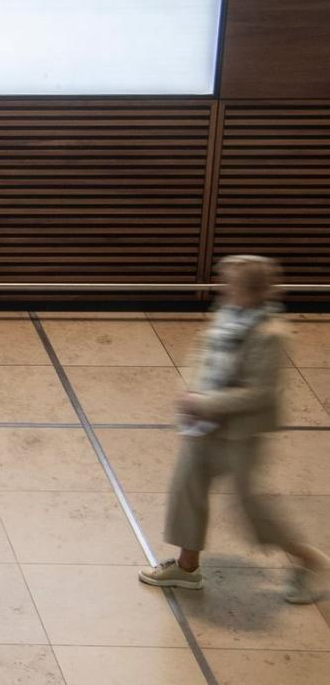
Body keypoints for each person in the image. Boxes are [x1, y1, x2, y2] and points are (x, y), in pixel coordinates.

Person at [138, 255, 329, 604]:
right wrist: (191, 392)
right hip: (206, 425)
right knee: (187, 488)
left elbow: (260, 392)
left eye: (230, 283)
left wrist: (205, 403)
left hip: (240, 432)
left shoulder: (270, 334)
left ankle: (311, 562)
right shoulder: (228, 315)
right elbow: (203, 354)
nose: (221, 287)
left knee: (250, 506)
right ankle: (187, 567)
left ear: (250, 290)